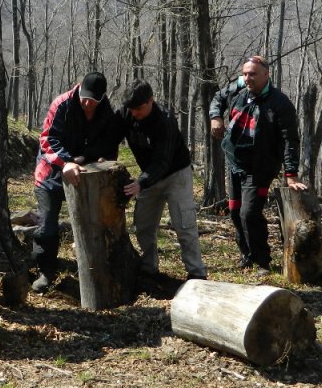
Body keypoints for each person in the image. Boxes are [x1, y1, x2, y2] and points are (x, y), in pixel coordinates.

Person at [210, 55, 307, 274]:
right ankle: (247, 255)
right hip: (235, 161)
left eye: (253, 74)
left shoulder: (280, 103)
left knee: (249, 213)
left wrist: (291, 173)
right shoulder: (238, 89)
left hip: (260, 166)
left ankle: (262, 261)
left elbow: (290, 140)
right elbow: (217, 98)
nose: (248, 78)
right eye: (245, 74)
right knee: (235, 212)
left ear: (266, 75)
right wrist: (216, 117)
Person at [31, 72, 123, 293]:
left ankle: (94, 272)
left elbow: (108, 142)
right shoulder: (61, 104)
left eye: (93, 100)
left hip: (86, 176)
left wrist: (100, 157)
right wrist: (65, 163)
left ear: (101, 98)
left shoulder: (106, 112)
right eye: (84, 97)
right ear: (79, 88)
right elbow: (47, 139)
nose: (87, 103)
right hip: (50, 174)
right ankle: (45, 271)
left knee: (92, 224)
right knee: (47, 225)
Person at [119, 80, 207, 280]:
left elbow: (162, 162)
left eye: (139, 108)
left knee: (184, 224)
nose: (134, 113)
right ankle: (149, 268)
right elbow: (110, 135)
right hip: (148, 177)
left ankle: (197, 274)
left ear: (150, 101)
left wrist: (141, 183)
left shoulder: (165, 121)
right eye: (131, 109)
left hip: (176, 175)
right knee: (143, 225)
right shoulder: (126, 113)